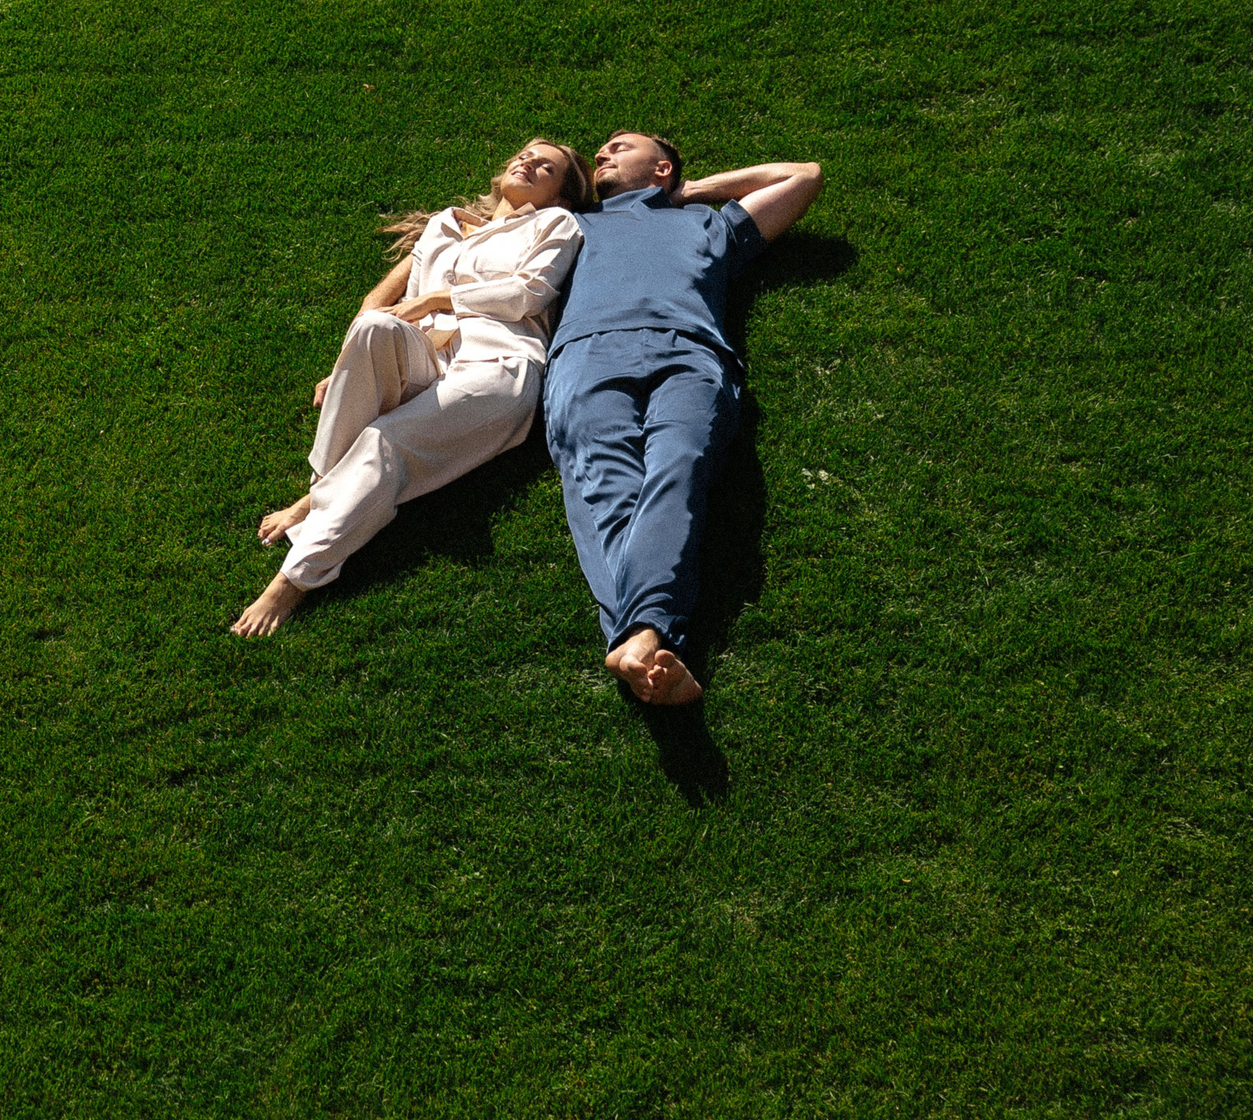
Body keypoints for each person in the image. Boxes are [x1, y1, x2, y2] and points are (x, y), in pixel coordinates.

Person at [234, 139, 592, 637]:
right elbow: (382, 305)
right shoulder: (447, 222)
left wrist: (437, 299)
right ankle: (322, 501)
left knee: (385, 442)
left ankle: (295, 577)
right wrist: (345, 367)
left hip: (496, 366)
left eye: (546, 166)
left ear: (562, 196)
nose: (528, 162)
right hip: (429, 355)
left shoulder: (557, 224)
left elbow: (527, 293)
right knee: (372, 328)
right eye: (525, 155)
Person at [543, 132, 823, 705]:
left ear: (662, 166)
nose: (602, 154)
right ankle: (645, 637)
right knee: (605, 488)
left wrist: (688, 192)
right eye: (602, 151)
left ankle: (637, 637)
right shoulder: (565, 227)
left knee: (680, 471)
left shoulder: (709, 224)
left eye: (621, 147)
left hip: (691, 353)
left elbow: (805, 175)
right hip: (588, 352)